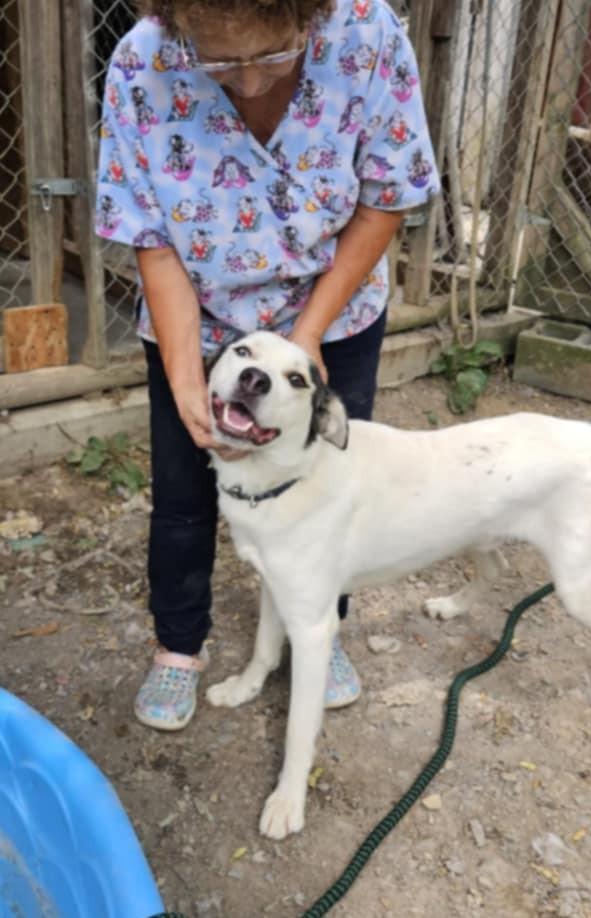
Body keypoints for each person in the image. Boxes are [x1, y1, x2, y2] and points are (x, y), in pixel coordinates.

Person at [95, 0, 439, 731]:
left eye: (274, 54)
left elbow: (385, 200)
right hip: (202, 317)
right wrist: (186, 379)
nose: (249, 83)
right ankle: (178, 645)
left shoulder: (369, 33)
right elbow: (152, 238)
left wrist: (307, 337)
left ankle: (320, 626)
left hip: (333, 309)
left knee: (327, 485)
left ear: (310, 15)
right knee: (184, 493)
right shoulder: (141, 62)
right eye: (219, 60)